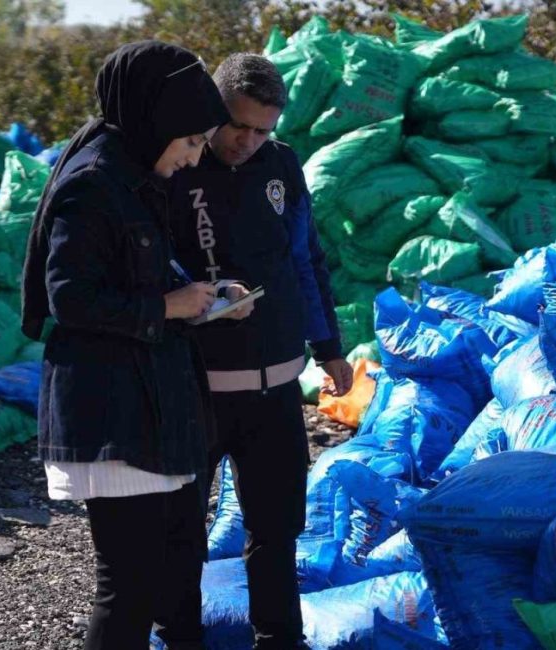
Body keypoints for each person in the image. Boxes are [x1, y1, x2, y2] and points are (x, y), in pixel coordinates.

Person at [21, 41, 249, 650]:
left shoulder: (131, 172)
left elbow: (133, 272)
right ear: (160, 121)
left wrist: (195, 296)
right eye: (193, 141)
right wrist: (166, 307)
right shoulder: (92, 185)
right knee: (129, 585)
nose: (197, 155)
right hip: (114, 412)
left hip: (151, 402)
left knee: (178, 567)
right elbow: (69, 298)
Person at [169, 53, 353, 649]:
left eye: (262, 129)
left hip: (274, 387)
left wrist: (329, 347)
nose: (248, 140)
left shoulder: (281, 166)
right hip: (196, 385)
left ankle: (278, 638)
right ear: (212, 113)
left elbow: (305, 259)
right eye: (238, 125)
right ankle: (178, 637)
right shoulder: (176, 168)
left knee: (275, 528)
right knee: (180, 532)